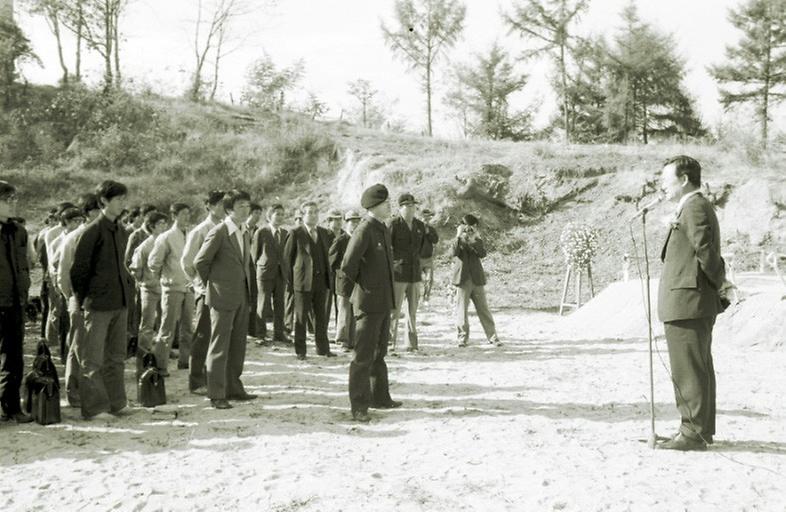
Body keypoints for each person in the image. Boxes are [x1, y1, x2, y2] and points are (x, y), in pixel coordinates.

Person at [656, 155, 730, 452]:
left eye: (666, 179)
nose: (662, 185)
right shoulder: (691, 206)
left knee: (688, 368)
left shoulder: (695, 206)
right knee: (697, 367)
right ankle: (699, 430)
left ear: (684, 179)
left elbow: (706, 252)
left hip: (688, 299)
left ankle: (691, 432)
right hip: (690, 298)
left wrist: (720, 285)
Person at [70, 180, 133, 420]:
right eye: (118, 199)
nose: (122, 204)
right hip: (97, 305)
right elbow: (78, 271)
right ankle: (95, 408)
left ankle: (117, 403)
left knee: (116, 358)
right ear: (104, 201)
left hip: (119, 301)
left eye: (123, 199)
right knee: (92, 359)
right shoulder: (92, 231)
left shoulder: (119, 230)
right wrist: (85, 299)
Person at [340, 184, 402, 422]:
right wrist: (359, 292)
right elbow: (348, 265)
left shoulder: (383, 229)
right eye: (386, 203)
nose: (389, 206)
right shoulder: (364, 229)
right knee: (363, 356)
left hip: (384, 302)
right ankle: (359, 405)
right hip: (367, 303)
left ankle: (380, 397)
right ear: (374, 207)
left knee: (379, 353)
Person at [194, 189, 257, 409]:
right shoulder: (220, 231)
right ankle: (217, 393)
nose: (245, 209)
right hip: (222, 298)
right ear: (229, 209)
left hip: (241, 296)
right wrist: (214, 286)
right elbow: (200, 262)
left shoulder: (245, 231)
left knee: (238, 345)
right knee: (219, 346)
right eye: (240, 206)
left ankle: (234, 388)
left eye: (247, 206)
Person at [57, 193, 102, 408]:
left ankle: (92, 392)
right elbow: (64, 273)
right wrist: (72, 298)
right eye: (98, 209)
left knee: (95, 348)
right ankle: (73, 393)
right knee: (77, 347)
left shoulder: (104, 234)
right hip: (80, 299)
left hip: (101, 300)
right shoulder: (74, 237)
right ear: (89, 212)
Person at [181, 190, 225, 394]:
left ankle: (212, 378)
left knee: (218, 337)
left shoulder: (226, 227)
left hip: (223, 290)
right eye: (219, 204)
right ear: (209, 206)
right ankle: (196, 380)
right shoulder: (200, 230)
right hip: (206, 291)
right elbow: (187, 262)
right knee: (202, 335)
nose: (223, 208)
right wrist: (199, 284)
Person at [283, 201, 335, 360]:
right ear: (302, 215)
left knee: (321, 316)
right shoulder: (295, 233)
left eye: (315, 212)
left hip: (321, 281)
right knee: (300, 317)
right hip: (302, 282)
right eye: (309, 212)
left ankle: (323, 349)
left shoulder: (324, 233)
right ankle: (301, 351)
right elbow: (286, 260)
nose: (313, 215)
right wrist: (292, 283)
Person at [0, 181, 33, 423]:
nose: (13, 203)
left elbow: (24, 267)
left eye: (14, 199)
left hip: (15, 303)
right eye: (7, 199)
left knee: (14, 358)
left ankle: (12, 407)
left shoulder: (19, 231)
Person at [150, 203, 193, 375]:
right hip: (172, 287)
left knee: (188, 327)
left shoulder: (191, 235)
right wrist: (164, 280)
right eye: (183, 214)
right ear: (174, 216)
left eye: (188, 214)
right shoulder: (166, 237)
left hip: (189, 286)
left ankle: (185, 361)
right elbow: (154, 263)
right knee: (167, 328)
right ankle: (161, 365)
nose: (186, 217)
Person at [452, 214, 501, 348]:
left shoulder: (476, 239)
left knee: (483, 309)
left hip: (476, 278)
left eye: (471, 227)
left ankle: (492, 336)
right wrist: (458, 235)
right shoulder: (458, 240)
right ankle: (462, 338)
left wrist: (475, 238)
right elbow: (454, 252)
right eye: (466, 227)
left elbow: (482, 253)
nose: (469, 230)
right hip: (462, 278)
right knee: (461, 310)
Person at [129, 211, 169, 371]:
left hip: (164, 288)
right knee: (147, 326)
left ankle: (159, 360)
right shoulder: (144, 246)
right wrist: (145, 282)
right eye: (160, 224)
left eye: (165, 223)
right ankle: (143, 361)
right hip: (149, 289)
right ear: (151, 227)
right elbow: (135, 268)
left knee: (163, 325)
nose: (164, 226)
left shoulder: (165, 241)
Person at [389, 193, 426, 352]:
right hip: (398, 273)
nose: (412, 209)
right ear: (400, 208)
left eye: (413, 206)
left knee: (412, 311)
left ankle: (411, 344)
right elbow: (388, 249)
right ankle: (391, 344)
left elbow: (422, 248)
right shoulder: (393, 224)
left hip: (414, 273)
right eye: (408, 206)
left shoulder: (419, 225)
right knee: (394, 311)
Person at [250, 204, 289, 344]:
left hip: (281, 274)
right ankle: (260, 335)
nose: (280, 217)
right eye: (277, 214)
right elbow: (254, 255)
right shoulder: (262, 232)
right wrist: (260, 269)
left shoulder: (285, 233)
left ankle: (279, 333)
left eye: (282, 214)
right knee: (263, 304)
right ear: (269, 216)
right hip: (265, 273)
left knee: (280, 304)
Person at [329, 209, 361, 351]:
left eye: (357, 221)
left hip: (357, 281)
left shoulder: (360, 238)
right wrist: (340, 272)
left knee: (355, 311)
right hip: (343, 280)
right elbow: (332, 260)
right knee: (344, 310)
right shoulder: (341, 239)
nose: (355, 224)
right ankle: (342, 340)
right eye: (352, 221)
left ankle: (352, 340)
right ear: (346, 223)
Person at [324, 208, 344, 333]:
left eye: (339, 219)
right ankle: (322, 330)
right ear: (328, 221)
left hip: (340, 273)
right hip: (327, 272)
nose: (338, 222)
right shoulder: (324, 235)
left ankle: (339, 330)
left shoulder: (344, 234)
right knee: (325, 304)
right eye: (334, 220)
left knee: (340, 304)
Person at [246, 202, 263, 337]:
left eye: (259, 213)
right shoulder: (241, 228)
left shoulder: (258, 230)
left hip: (253, 267)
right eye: (255, 213)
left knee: (253, 297)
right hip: (241, 266)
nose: (257, 216)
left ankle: (252, 329)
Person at [419, 208, 439, 303]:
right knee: (415, 281)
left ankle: (426, 298)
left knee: (429, 279)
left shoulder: (431, 229)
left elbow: (435, 240)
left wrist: (428, 233)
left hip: (428, 258)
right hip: (417, 258)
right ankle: (415, 299)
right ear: (421, 217)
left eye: (428, 217)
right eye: (425, 217)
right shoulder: (416, 228)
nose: (426, 219)